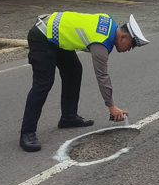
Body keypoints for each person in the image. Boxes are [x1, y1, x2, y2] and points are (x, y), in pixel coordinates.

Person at [19, 12, 149, 152]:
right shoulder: (101, 43)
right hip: (43, 35)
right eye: (130, 46)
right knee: (43, 83)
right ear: (123, 37)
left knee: (74, 70)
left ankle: (68, 117)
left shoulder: (110, 22)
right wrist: (111, 106)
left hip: (57, 35)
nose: (128, 50)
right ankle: (27, 133)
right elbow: (102, 76)